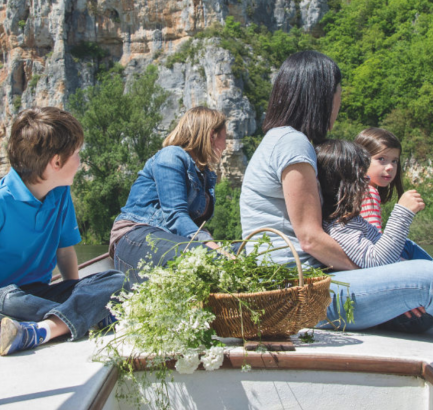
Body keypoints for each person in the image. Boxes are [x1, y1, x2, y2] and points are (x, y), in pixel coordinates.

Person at [240, 50, 433, 333]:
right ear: (322, 96)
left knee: (408, 251)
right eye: (337, 94)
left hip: (306, 286)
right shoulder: (292, 144)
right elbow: (310, 240)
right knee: (428, 278)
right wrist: (385, 279)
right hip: (301, 294)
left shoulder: (280, 139)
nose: (338, 104)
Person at [0, 107, 125, 356]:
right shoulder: (3, 201)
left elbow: (65, 251)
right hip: (7, 297)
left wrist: (77, 292)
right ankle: (89, 317)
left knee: (118, 280)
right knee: (14, 300)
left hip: (40, 293)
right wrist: (86, 302)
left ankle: (40, 330)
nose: (81, 161)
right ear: (56, 162)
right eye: (77, 153)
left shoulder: (60, 193)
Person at [111, 106, 227, 286]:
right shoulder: (171, 156)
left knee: (241, 253)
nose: (226, 145)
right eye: (224, 138)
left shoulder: (204, 174)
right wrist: (209, 244)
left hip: (169, 240)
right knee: (214, 258)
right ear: (212, 135)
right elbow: (176, 215)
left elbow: (190, 226)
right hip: (136, 235)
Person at [316, 139, 429, 267]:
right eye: (360, 175)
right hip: (383, 269)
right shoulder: (339, 226)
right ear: (337, 182)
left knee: (408, 246)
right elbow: (378, 263)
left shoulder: (349, 220)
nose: (367, 178)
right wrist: (403, 213)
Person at [355, 127, 432, 261]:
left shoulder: (357, 190)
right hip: (372, 259)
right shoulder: (368, 193)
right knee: (410, 248)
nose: (390, 167)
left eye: (394, 161)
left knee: (408, 245)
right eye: (381, 159)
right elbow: (374, 243)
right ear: (360, 161)